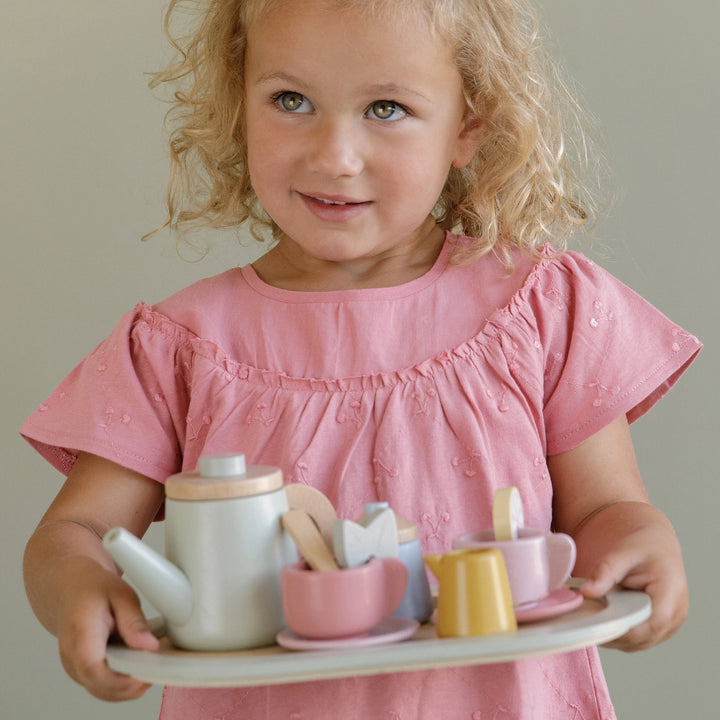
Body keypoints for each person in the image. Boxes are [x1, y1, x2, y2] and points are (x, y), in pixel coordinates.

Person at [21, 0, 701, 717]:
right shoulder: (180, 347)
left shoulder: (537, 309)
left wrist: (641, 547)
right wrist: (78, 583)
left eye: (385, 108)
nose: (332, 156)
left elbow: (606, 507)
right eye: (291, 101)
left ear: (467, 124)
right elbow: (75, 532)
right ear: (238, 105)